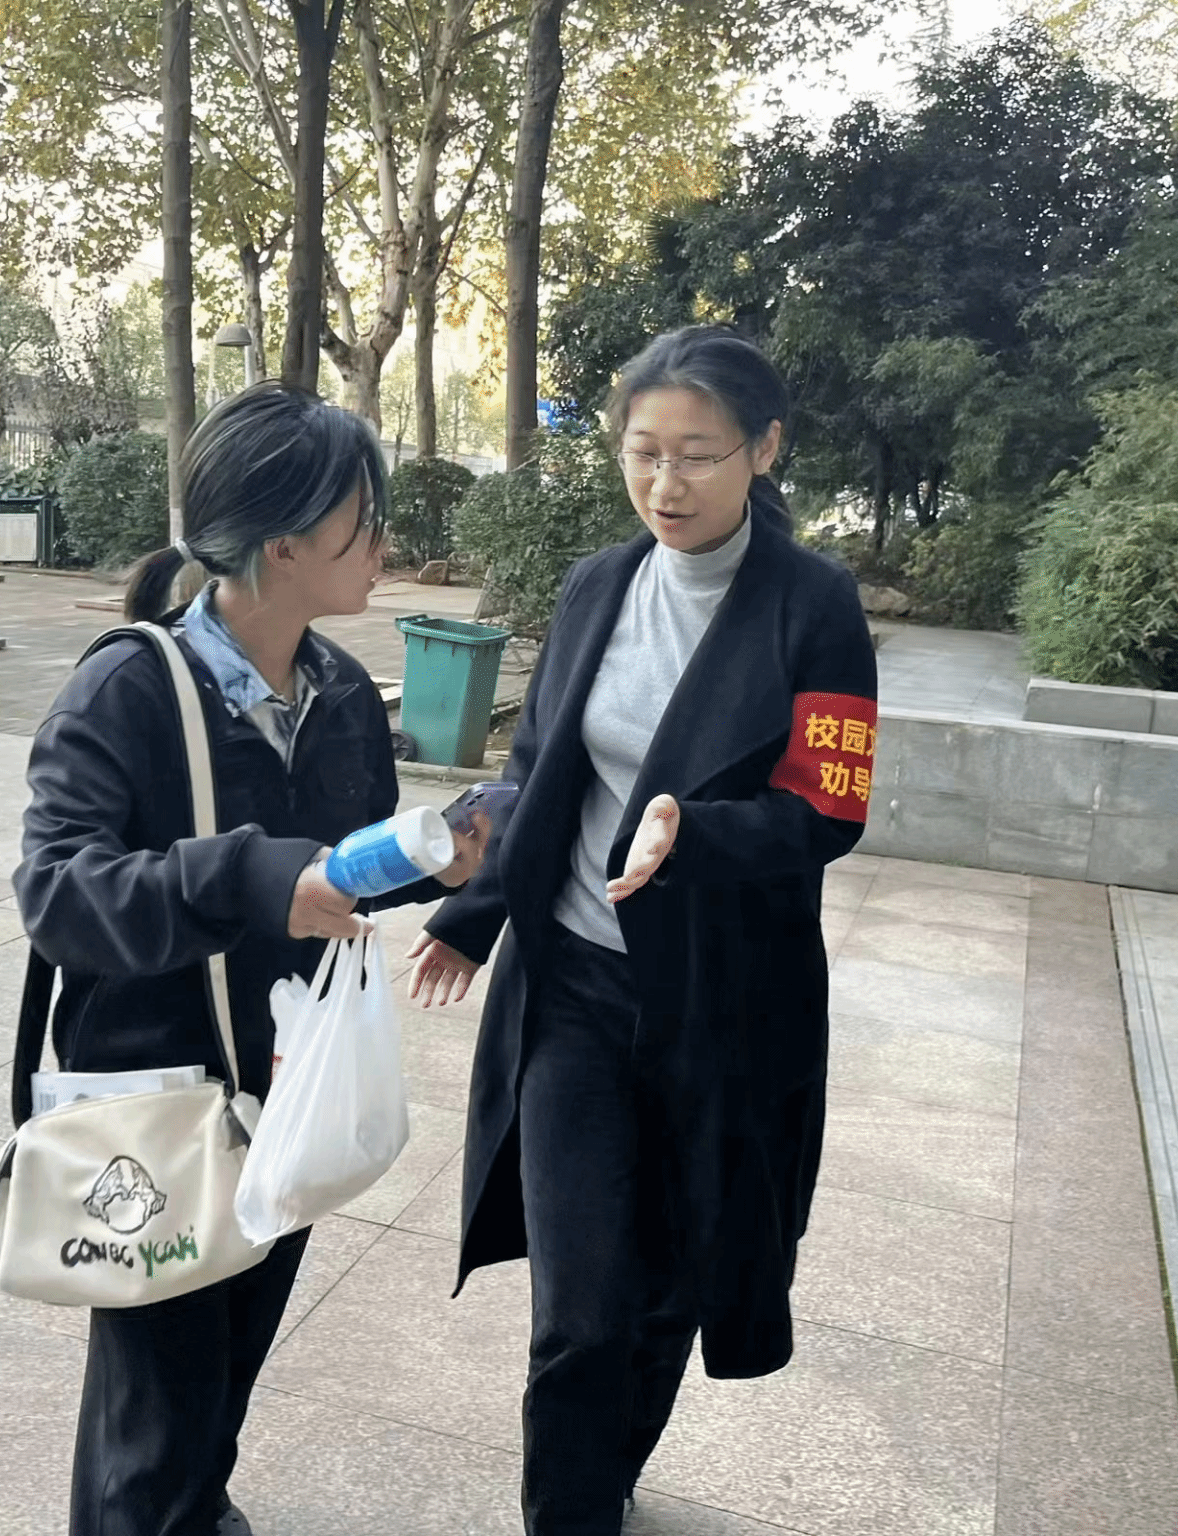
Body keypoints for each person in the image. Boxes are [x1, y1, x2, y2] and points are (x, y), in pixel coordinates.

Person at [408, 327, 879, 1535]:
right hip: (572, 987)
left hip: (720, 1008)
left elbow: (827, 810)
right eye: (642, 452)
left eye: (697, 455)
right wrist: (471, 912)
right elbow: (537, 768)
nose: (665, 484)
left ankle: (604, 1474)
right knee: (580, 1306)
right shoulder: (597, 586)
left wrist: (694, 829)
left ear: (763, 450)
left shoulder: (814, 606)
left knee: (669, 1284)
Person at [13, 382, 486, 1536]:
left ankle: (196, 1506)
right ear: (284, 544)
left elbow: (337, 871)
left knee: (225, 1368)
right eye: (364, 522)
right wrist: (255, 877)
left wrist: (444, 861)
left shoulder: (340, 696)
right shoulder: (128, 688)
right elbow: (57, 892)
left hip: (286, 1088)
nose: (384, 546)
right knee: (151, 1418)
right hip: (159, 1108)